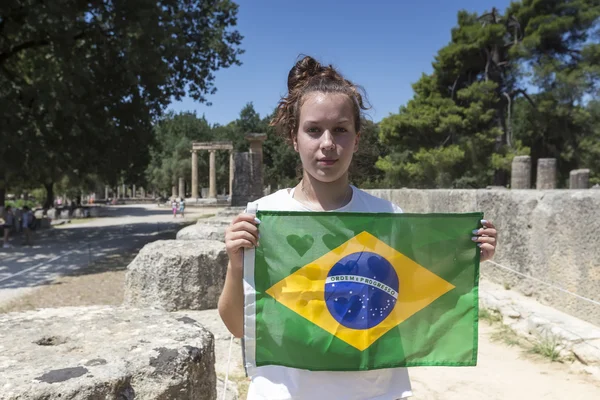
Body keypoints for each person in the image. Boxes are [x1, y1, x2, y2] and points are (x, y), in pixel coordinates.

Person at [218, 55, 498, 400]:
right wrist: (235, 262)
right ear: (294, 137)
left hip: (373, 392)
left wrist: (465, 260)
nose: (327, 143)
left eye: (340, 129)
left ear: (357, 137)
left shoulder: (388, 218)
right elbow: (237, 325)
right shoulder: (264, 216)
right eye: (313, 129)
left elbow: (421, 306)